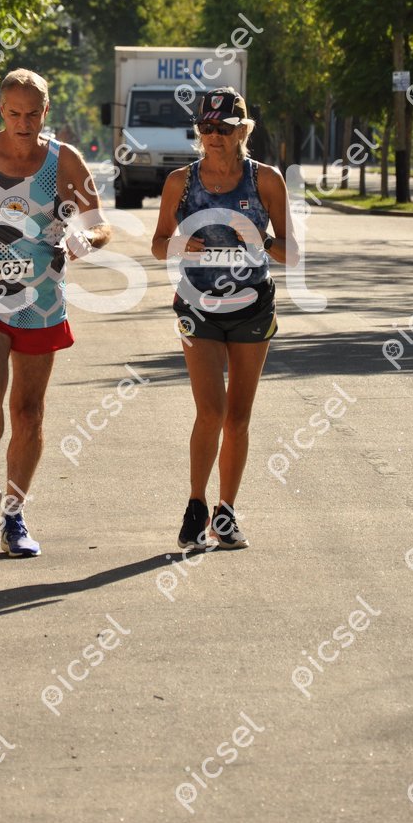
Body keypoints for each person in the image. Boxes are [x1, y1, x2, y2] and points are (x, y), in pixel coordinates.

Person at [0, 69, 111, 557]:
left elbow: (100, 224)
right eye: (14, 113)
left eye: (33, 114)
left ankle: (14, 514)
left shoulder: (65, 161)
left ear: (45, 111)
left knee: (28, 411)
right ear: (1, 110)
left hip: (41, 300)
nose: (24, 123)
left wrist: (88, 239)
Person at [151, 87, 298, 553]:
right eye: (206, 127)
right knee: (210, 411)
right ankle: (196, 505)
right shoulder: (180, 181)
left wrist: (260, 239)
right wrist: (180, 245)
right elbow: (158, 243)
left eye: (225, 128)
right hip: (198, 306)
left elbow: (291, 253)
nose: (214, 136)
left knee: (237, 417)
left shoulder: (265, 180)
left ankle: (226, 511)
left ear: (243, 130)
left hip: (252, 307)